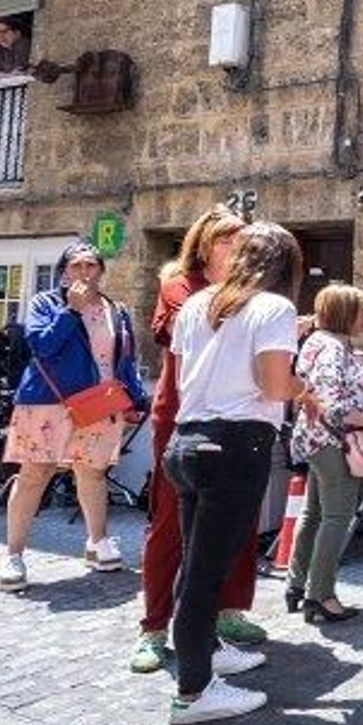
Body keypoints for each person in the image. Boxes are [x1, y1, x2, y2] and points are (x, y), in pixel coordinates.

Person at [164, 222, 308, 725]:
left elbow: (191, 373)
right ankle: (193, 691)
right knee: (206, 573)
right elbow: (272, 386)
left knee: (196, 563)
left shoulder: (198, 304)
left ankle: (203, 652)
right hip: (235, 444)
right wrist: (302, 384)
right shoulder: (274, 308)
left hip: (188, 440)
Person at [132, 206, 263, 675]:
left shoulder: (255, 291)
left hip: (239, 418)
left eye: (243, 241)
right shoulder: (179, 287)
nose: (236, 248)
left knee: (237, 518)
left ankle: (228, 612)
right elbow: (174, 333)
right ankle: (153, 627)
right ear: (204, 245)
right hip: (183, 419)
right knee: (170, 521)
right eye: (227, 240)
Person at [0, 242, 149, 593]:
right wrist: (71, 311)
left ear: (100, 270)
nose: (84, 273)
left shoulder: (116, 309)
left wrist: (132, 396)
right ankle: (13, 554)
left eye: (90, 265)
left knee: (93, 473)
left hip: (98, 404)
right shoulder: (45, 304)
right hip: (47, 402)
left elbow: (123, 358)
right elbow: (42, 347)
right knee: (35, 473)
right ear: (64, 271)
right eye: (76, 266)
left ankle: (97, 542)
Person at [285, 283, 363, 623]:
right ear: (347, 314)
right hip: (333, 442)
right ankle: (322, 595)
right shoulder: (333, 349)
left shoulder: (317, 343)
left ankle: (297, 585)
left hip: (313, 439)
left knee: (313, 513)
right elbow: (333, 404)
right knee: (336, 517)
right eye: (362, 310)